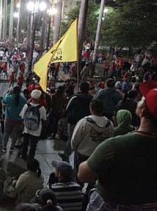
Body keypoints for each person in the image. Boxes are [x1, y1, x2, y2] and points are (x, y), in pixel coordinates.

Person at [78, 80, 157, 210]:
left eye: (142, 100)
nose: (138, 100)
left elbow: (83, 175)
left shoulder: (115, 146)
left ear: (142, 112)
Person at [71, 100, 114, 185]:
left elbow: (75, 138)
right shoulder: (109, 124)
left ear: (91, 109)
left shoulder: (84, 122)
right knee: (95, 178)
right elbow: (110, 140)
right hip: (99, 155)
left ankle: (78, 191)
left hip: (83, 153)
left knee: (79, 176)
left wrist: (74, 147)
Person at [61, 82, 92, 161]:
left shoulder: (75, 97)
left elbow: (68, 108)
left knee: (71, 137)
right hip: (85, 122)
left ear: (80, 88)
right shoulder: (91, 98)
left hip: (73, 121)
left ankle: (67, 154)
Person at [20, 89, 47, 160]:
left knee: (25, 143)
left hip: (27, 128)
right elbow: (44, 119)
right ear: (39, 99)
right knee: (33, 145)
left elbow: (22, 116)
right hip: (36, 130)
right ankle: (31, 158)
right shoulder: (42, 108)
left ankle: (23, 155)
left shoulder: (26, 106)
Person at [1, 86, 27, 153]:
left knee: (6, 133)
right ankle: (12, 148)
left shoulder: (9, 97)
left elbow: (3, 101)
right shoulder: (24, 99)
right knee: (15, 134)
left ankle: (4, 147)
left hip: (9, 119)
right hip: (18, 120)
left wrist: (8, 93)